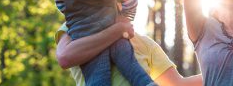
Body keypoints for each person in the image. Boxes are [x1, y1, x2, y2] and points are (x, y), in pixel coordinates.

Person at [55, 21, 203, 86]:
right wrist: (116, 32)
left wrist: (226, 75)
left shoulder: (144, 43)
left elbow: (176, 84)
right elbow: (64, 57)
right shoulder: (77, 27)